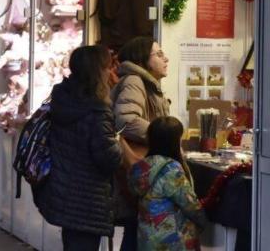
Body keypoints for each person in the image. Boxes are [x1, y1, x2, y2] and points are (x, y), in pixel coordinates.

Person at [33, 45, 123, 251]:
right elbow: (108, 158)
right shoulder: (97, 111)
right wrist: (118, 143)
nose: (111, 72)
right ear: (98, 71)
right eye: (108, 67)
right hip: (87, 198)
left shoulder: (63, 98)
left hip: (64, 190)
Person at [111, 36, 170, 251]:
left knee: (137, 229)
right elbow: (126, 121)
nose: (166, 59)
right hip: (139, 168)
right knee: (136, 228)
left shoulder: (148, 84)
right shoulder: (135, 82)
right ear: (142, 59)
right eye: (159, 54)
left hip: (143, 169)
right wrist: (164, 137)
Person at [127, 116, 206, 250]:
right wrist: (203, 221)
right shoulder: (171, 169)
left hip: (146, 238)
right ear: (174, 141)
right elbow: (189, 204)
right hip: (172, 240)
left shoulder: (140, 167)